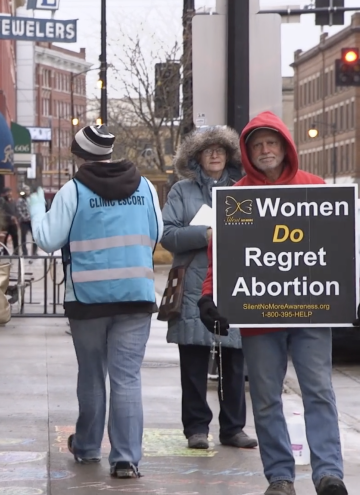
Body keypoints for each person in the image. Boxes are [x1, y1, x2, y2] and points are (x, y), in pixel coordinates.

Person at [197, 111, 347, 495]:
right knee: (265, 399)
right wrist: (208, 296)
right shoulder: (236, 199)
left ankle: (329, 474)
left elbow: (340, 250)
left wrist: (354, 292)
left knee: (319, 392)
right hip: (259, 317)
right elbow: (222, 257)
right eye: (257, 145)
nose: (265, 150)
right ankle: (280, 477)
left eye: (271, 142)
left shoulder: (315, 188)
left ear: (285, 146)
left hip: (312, 312)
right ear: (248, 153)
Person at [28, 124, 163, 479]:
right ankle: (125, 458)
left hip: (87, 299)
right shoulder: (145, 186)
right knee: (127, 378)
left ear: (78, 156)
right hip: (136, 295)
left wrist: (35, 208)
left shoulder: (74, 190)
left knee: (91, 375)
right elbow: (157, 233)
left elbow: (47, 239)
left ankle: (87, 447)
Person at [161, 126, 257, 451]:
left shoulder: (244, 189)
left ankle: (233, 428)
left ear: (229, 155)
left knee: (234, 360)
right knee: (193, 361)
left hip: (234, 282)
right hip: (192, 286)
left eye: (220, 149)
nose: (215, 155)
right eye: (208, 150)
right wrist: (205, 234)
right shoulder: (181, 191)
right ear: (196, 156)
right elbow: (168, 234)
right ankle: (196, 428)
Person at [0, 188, 20, 253]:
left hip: (13, 223)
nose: (9, 193)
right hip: (5, 223)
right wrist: (9, 217)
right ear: (4, 193)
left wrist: (16, 217)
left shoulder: (13, 201)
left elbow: (16, 210)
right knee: (4, 239)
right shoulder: (1, 200)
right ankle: (5, 252)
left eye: (10, 192)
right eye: (7, 192)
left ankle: (16, 252)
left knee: (15, 238)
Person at [16, 188, 37, 257]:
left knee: (35, 237)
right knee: (23, 237)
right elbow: (19, 211)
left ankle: (34, 252)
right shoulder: (20, 200)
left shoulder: (31, 199)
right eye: (26, 191)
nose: (27, 192)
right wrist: (24, 218)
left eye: (28, 190)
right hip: (24, 221)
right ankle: (25, 253)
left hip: (31, 221)